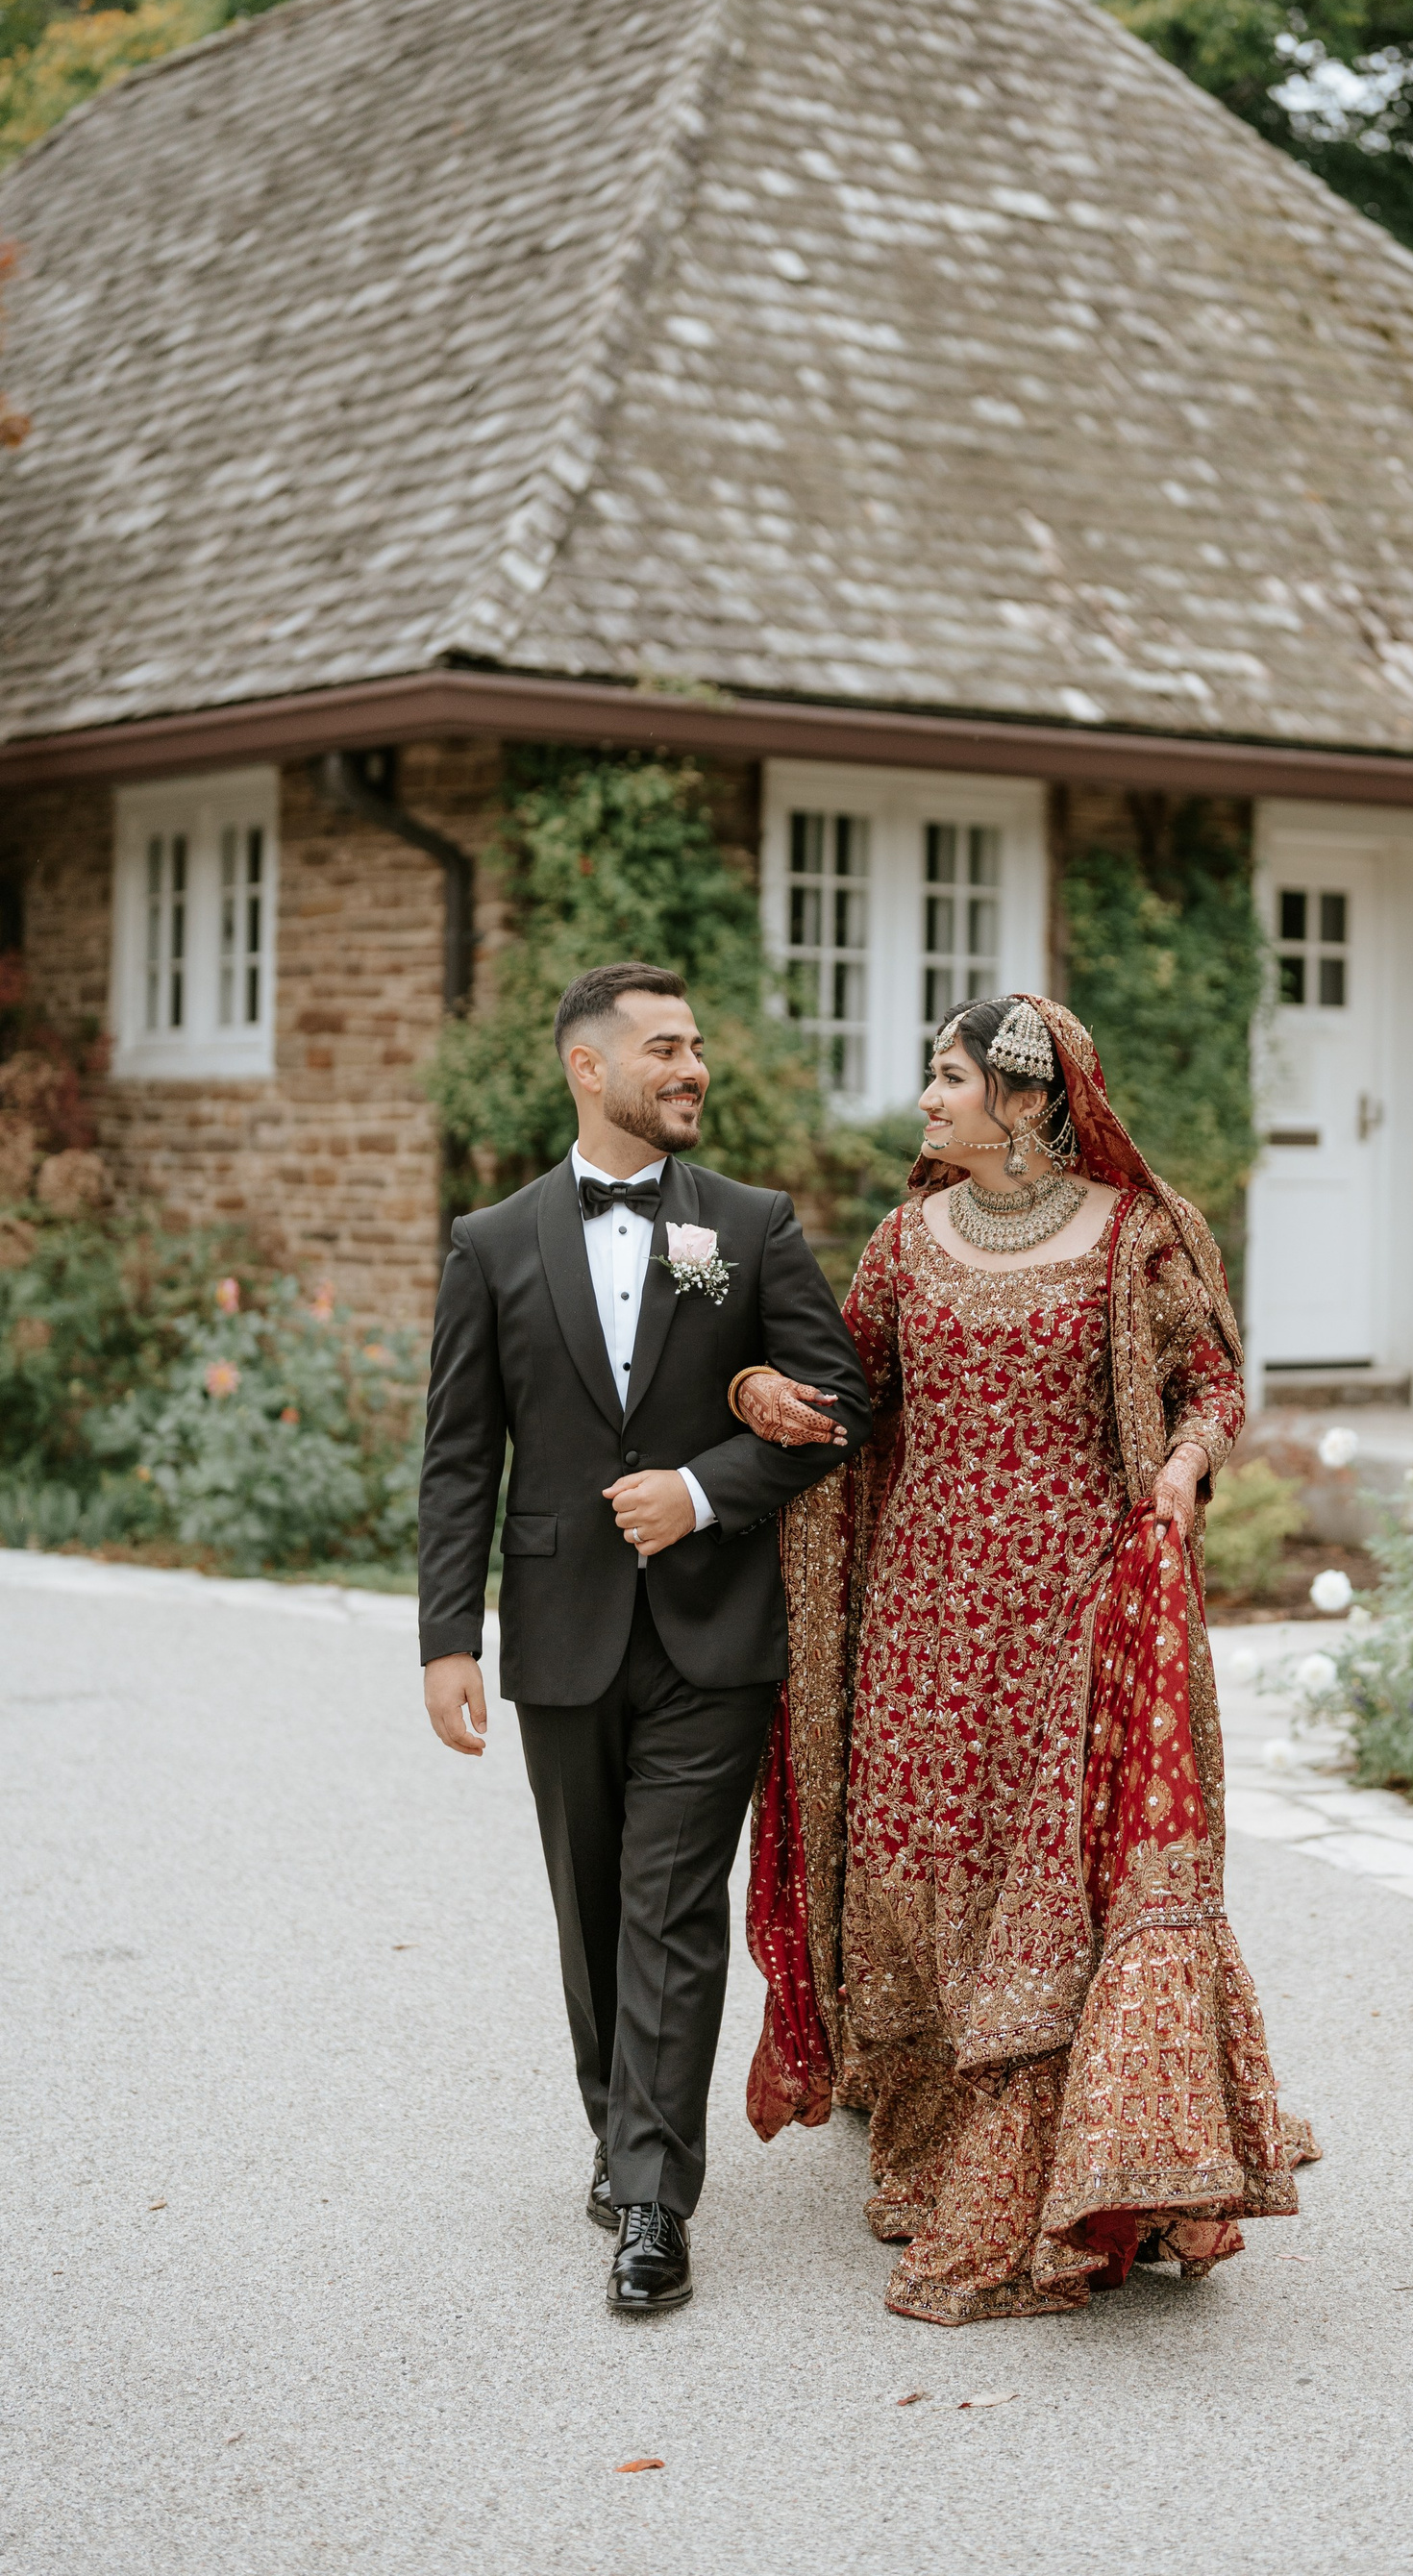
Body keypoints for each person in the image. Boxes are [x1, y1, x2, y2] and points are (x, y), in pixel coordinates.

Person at [732, 993, 1318, 2324]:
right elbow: (847, 1387)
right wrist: (753, 1389)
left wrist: (1183, 1466)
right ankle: (936, 2128)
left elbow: (1211, 1381)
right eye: (932, 1075)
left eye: (948, 1077)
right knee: (918, 1845)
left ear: (1027, 1098)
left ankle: (1096, 2153)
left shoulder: (1132, 1235)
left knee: (1047, 1861)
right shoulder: (904, 1240)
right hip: (922, 1609)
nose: (927, 1100)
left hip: (1072, 1606)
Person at [416, 961, 870, 2316]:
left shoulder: (750, 1224)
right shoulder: (492, 1241)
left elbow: (841, 1400)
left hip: (712, 1629)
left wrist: (705, 1488)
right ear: (589, 1067)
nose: (693, 1069)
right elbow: (460, 1456)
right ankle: (621, 2134)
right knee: (591, 1904)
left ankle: (657, 2200)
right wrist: (448, 1635)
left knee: (671, 1905)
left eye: (696, 1046)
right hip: (560, 1629)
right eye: (665, 1048)